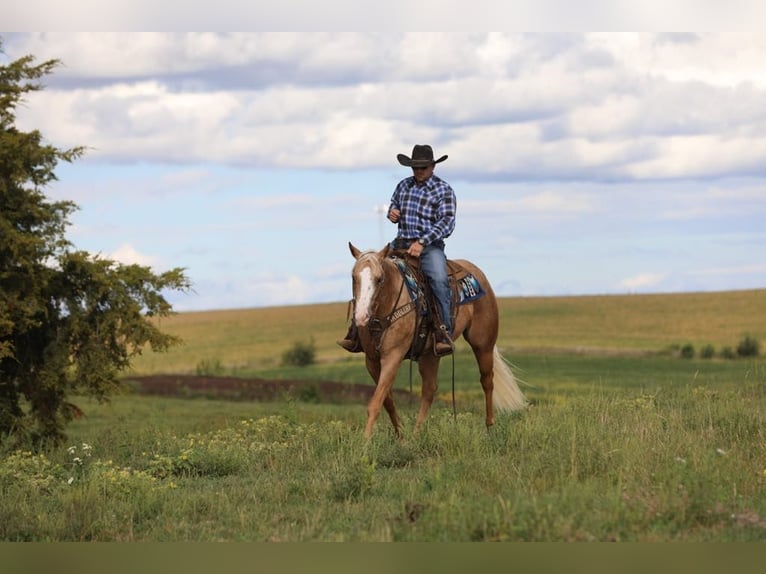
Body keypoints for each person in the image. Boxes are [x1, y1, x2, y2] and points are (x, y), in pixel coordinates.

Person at [338, 144, 456, 356]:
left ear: (432, 167)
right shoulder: (404, 186)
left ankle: (442, 332)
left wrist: (422, 242)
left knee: (439, 279)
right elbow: (394, 205)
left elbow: (447, 223)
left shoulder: (444, 190)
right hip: (400, 242)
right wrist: (393, 213)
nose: (418, 171)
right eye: (415, 167)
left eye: (423, 167)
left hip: (430, 247)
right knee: (370, 272)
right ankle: (356, 329)